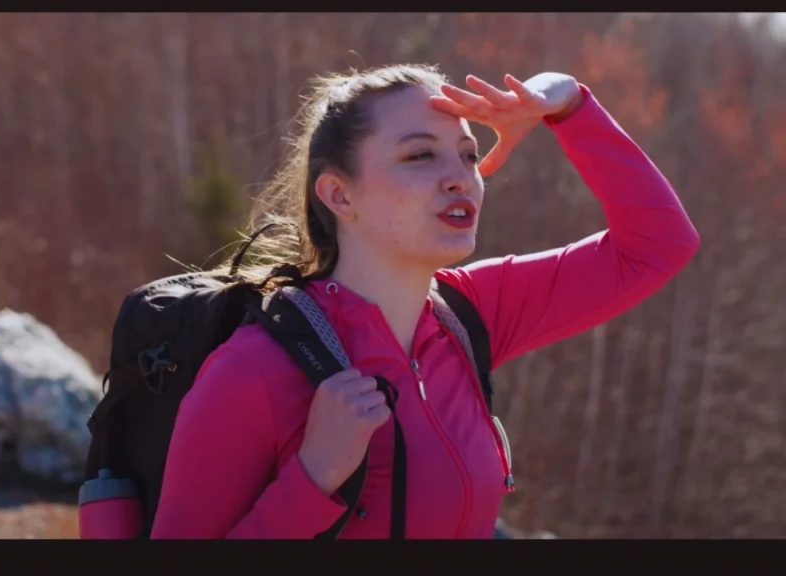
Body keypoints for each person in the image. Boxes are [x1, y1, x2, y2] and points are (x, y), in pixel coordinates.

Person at [148, 64, 699, 539]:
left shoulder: (470, 314)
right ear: (339, 194)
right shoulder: (253, 370)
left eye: (467, 154)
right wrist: (313, 476)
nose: (460, 179)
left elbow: (657, 245)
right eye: (420, 156)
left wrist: (565, 101)